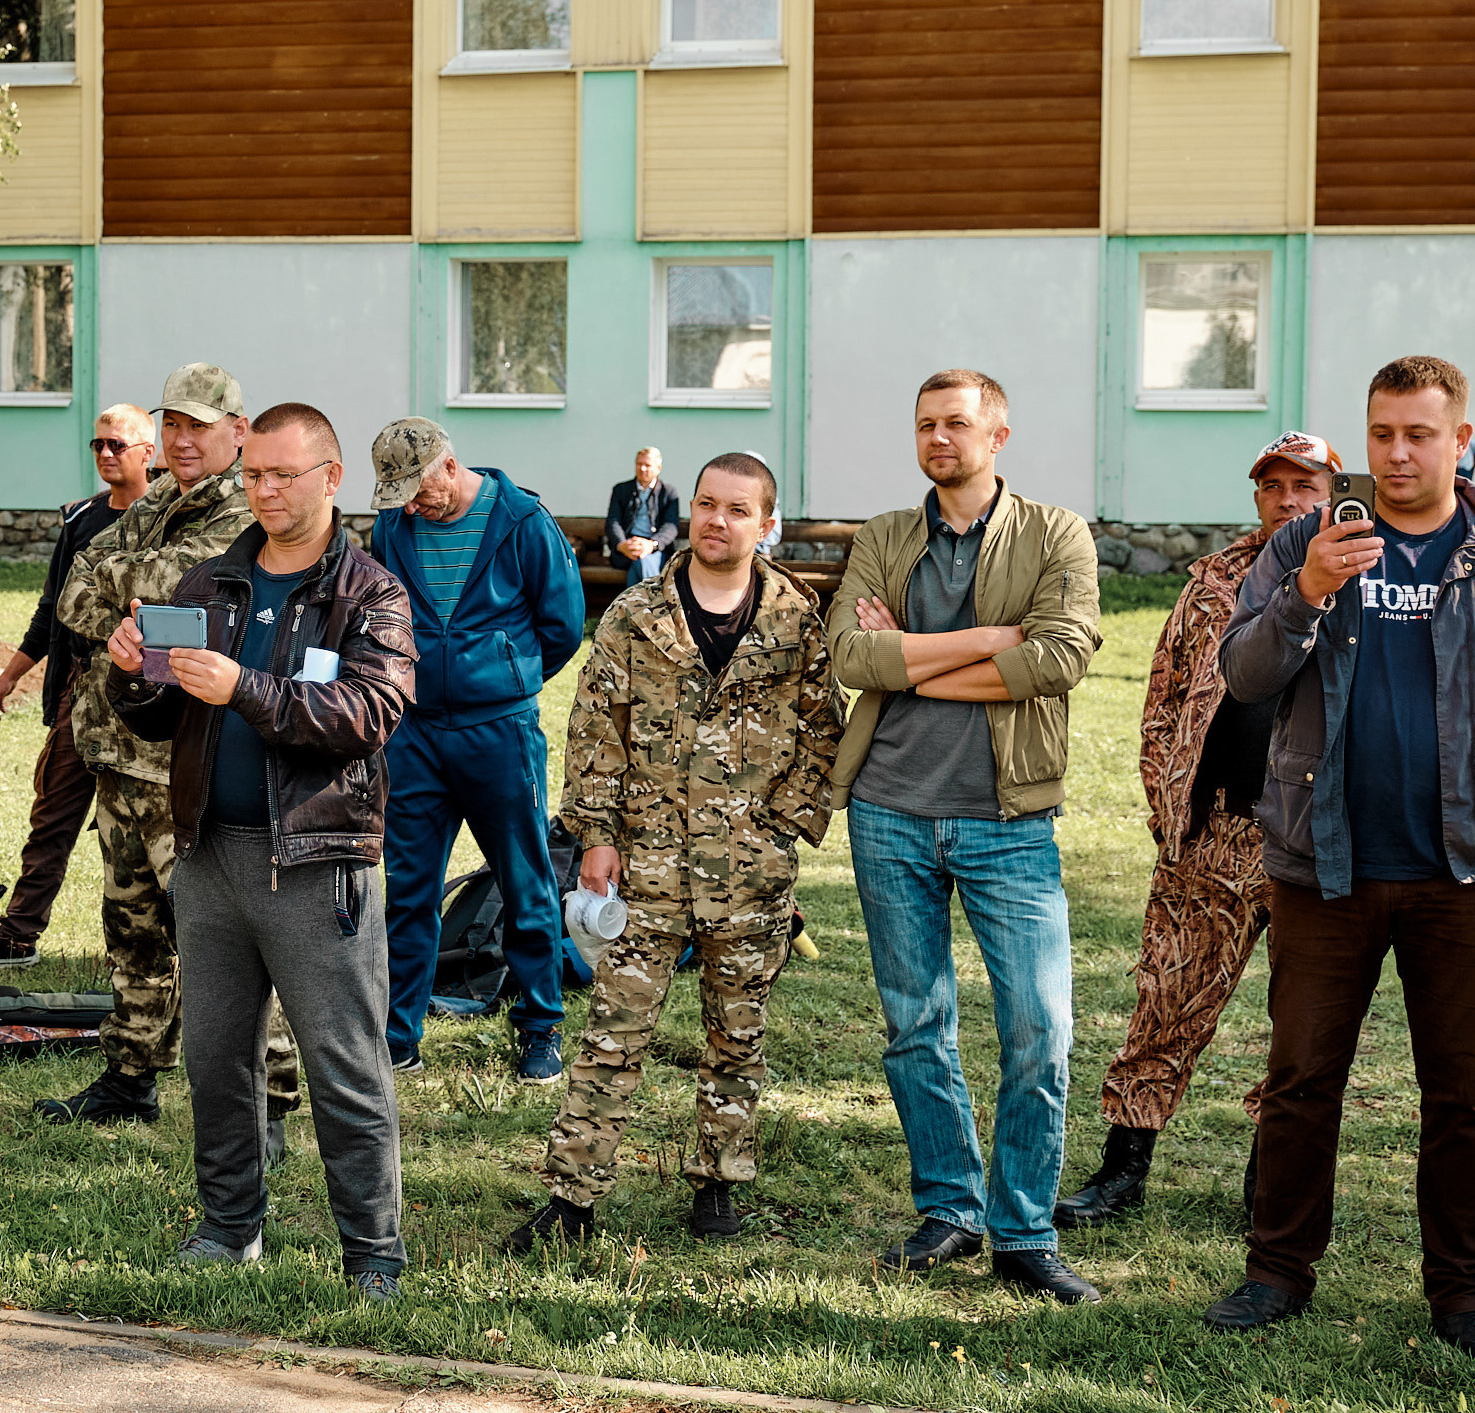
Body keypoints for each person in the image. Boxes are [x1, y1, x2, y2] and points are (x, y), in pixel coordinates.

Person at [1204, 355, 1475, 1362]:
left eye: (1420, 434)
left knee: (1464, 1092)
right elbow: (1244, 674)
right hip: (1324, 864)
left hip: (1468, 870)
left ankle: (1465, 1295)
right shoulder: (1307, 541)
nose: (1397, 453)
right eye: (1381, 433)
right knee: (1300, 1079)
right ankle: (1277, 1272)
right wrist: (1305, 589)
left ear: (1461, 441)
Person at [103, 402, 416, 1300]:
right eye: (255, 475)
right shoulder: (210, 584)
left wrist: (247, 688)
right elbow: (162, 715)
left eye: (285, 474)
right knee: (216, 1058)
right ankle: (229, 1227)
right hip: (209, 856)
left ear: (333, 477)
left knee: (343, 1063)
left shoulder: (372, 596)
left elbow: (363, 715)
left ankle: (373, 1256)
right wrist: (133, 674)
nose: (266, 491)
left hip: (317, 865)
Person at [504, 453, 846, 1250]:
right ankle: (573, 1201)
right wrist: (594, 836)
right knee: (613, 1035)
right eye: (704, 504)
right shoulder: (637, 615)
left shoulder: (795, 620)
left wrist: (780, 827)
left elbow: (824, 731)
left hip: (750, 875)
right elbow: (595, 729)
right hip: (645, 865)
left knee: (738, 1035)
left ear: (767, 526)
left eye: (736, 510)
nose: (715, 521)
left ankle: (720, 1182)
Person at [827, 368, 1104, 1305]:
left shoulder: (1056, 533)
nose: (939, 438)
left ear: (999, 434)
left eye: (957, 423)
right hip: (889, 810)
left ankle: (1022, 1231)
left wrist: (913, 662)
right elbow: (851, 656)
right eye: (925, 425)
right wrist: (992, 641)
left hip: (1008, 820)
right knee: (916, 1024)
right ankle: (949, 1208)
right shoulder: (887, 536)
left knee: (1041, 1027)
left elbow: (1061, 656)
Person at [1055, 432, 1338, 1229]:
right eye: (1273, 485)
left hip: (1314, 842)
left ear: (1334, 490)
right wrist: (1166, 803)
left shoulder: (1365, 574)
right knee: (1166, 1002)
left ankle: (1271, 1183)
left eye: (1305, 485)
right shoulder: (1215, 581)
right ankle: (1122, 1171)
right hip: (1213, 832)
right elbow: (1166, 694)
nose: (1289, 500)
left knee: (1306, 1020)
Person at [42, 365, 301, 1134]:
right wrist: (129, 584)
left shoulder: (242, 509)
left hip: (186, 760)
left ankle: (271, 1103)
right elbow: (76, 594)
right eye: (175, 426)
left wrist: (120, 579)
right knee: (133, 927)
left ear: (238, 431)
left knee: (229, 938)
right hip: (120, 755)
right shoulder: (160, 499)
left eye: (200, 426)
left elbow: (190, 585)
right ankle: (131, 1074)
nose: (184, 441)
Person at [367, 418, 585, 1079]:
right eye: (397, 493)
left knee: (526, 885)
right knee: (408, 888)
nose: (410, 505)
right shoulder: (392, 528)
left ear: (450, 466)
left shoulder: (522, 522)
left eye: (417, 488)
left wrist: (502, 679)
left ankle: (540, 1027)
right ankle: (398, 1036)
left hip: (501, 733)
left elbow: (563, 627)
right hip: (415, 735)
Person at [0, 403, 158, 966]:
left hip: (143, 700)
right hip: (78, 696)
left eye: (118, 445)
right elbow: (52, 610)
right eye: (98, 444)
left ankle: (143, 944)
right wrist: (10, 677)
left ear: (147, 453)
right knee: (52, 815)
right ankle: (18, 934)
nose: (106, 454)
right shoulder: (80, 520)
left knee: (137, 828)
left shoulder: (168, 518)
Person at [604, 448, 680, 583]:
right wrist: (621, 544)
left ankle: (633, 604)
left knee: (640, 562)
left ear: (658, 468)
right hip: (627, 548)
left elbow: (671, 526)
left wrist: (652, 545)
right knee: (640, 559)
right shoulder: (621, 490)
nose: (642, 469)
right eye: (639, 464)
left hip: (656, 550)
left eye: (647, 465)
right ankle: (655, 601)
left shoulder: (668, 493)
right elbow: (613, 521)